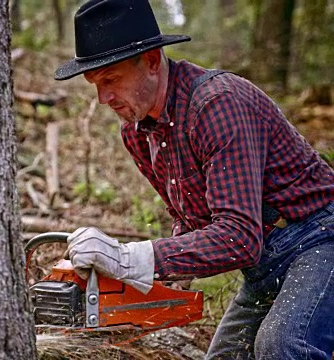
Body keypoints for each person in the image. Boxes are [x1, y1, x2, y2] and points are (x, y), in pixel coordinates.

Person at [54, 0, 334, 359]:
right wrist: (162, 274)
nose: (104, 97)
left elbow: (238, 237)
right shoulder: (139, 132)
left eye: (111, 79)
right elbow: (189, 217)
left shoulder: (217, 104)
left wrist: (133, 258)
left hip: (319, 240)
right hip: (264, 264)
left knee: (282, 346)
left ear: (152, 61)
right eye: (96, 84)